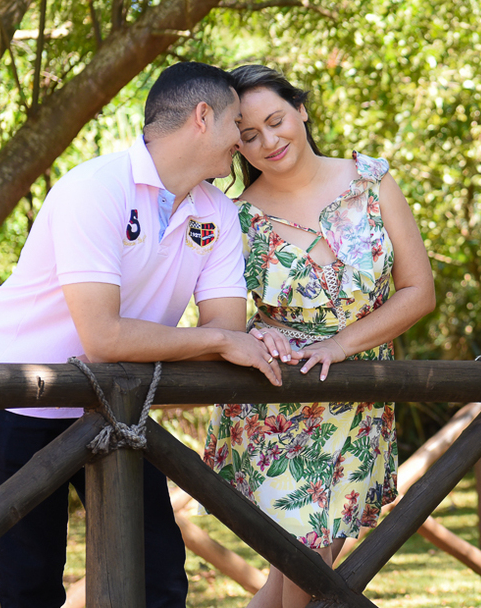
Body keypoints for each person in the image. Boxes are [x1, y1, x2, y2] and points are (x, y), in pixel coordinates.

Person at [0, 61, 290, 608]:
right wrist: (216, 342)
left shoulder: (217, 211)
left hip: (115, 404)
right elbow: (106, 337)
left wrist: (221, 338)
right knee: (29, 588)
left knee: (158, 579)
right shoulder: (95, 187)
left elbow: (227, 325)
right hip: (13, 399)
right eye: (237, 123)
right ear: (203, 116)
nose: (242, 140)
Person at [202, 65, 435, 608]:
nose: (268, 142)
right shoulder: (236, 219)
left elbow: (419, 292)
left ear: (301, 110)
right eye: (249, 135)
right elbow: (224, 320)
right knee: (304, 568)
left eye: (276, 121)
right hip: (279, 406)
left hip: (359, 396)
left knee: (295, 576)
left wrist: (340, 344)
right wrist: (263, 334)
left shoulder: (370, 181)